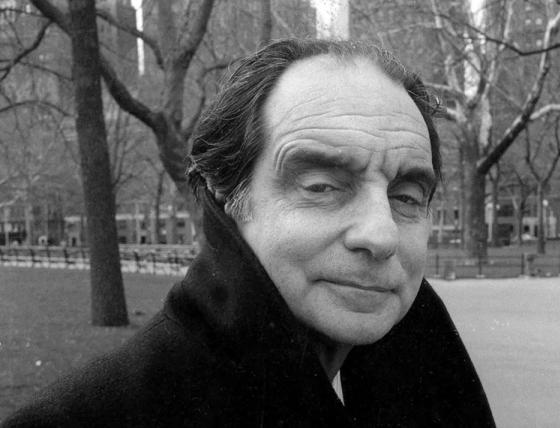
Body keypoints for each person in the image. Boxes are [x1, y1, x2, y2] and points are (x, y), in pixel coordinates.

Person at [3, 39, 495, 427]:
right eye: (322, 187)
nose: (382, 234)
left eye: (406, 197)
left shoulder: (431, 385)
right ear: (226, 203)